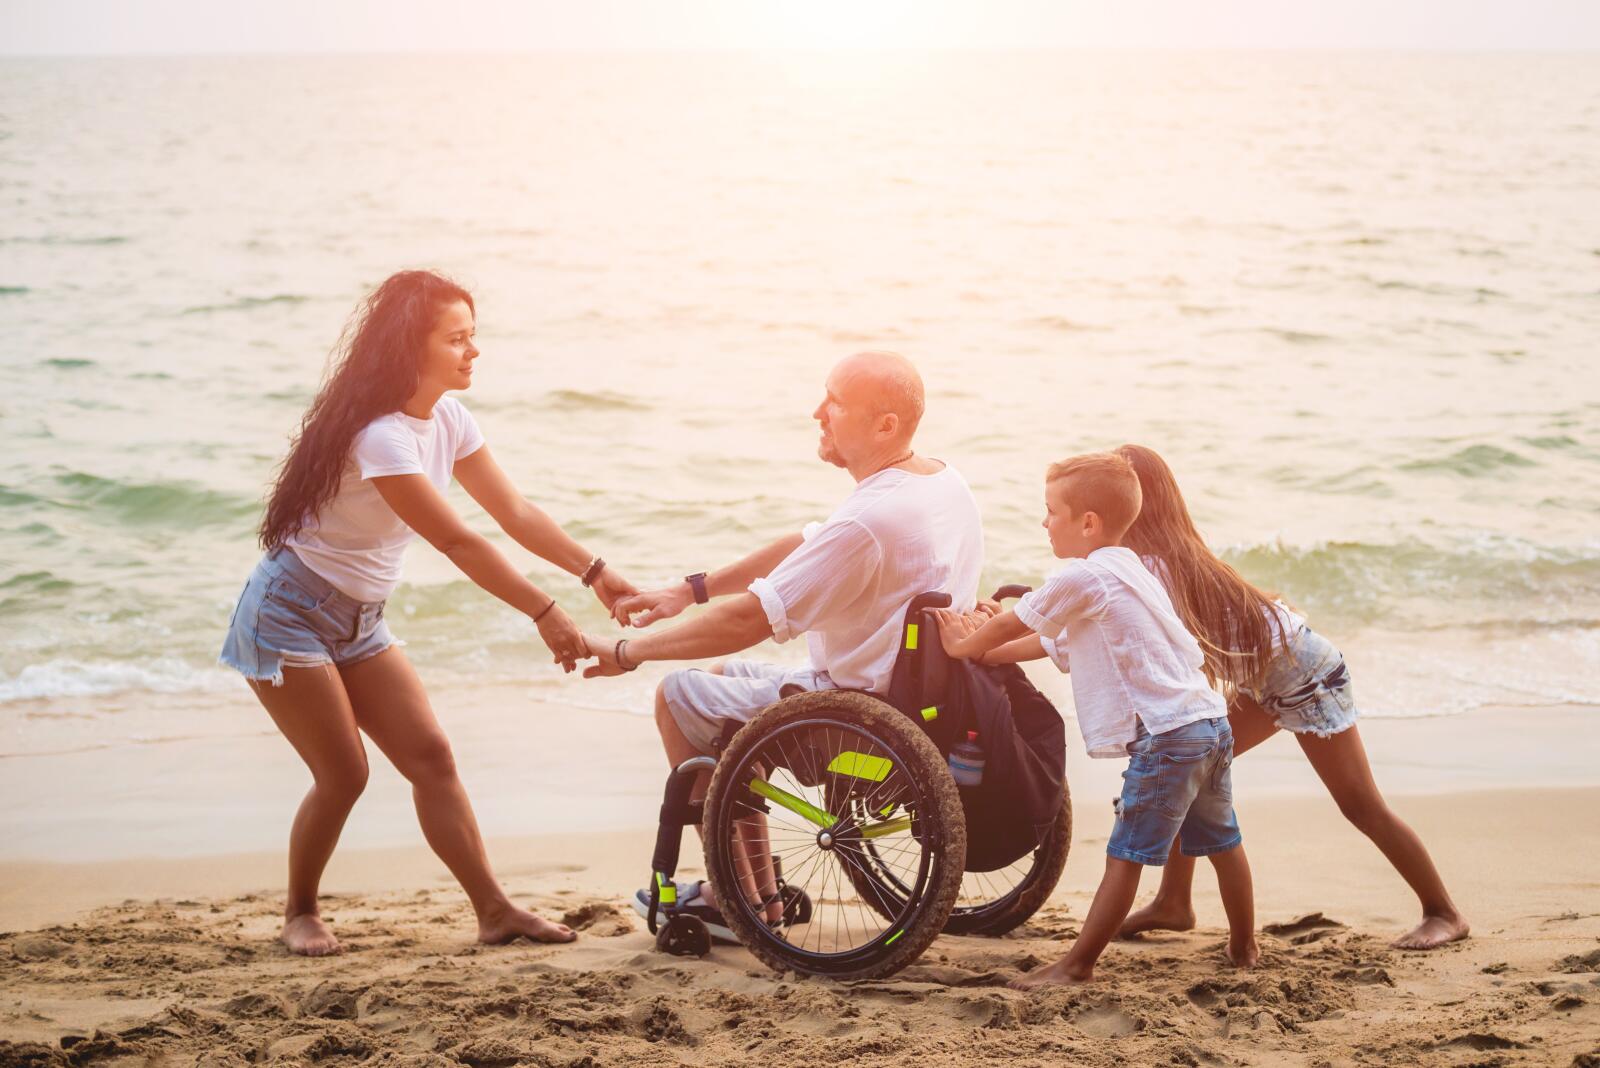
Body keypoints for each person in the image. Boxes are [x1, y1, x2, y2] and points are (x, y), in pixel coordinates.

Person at [219, 269, 636, 955]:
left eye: (474, 337)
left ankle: (493, 910)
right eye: (457, 340)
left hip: (360, 618)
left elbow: (514, 512)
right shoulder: (381, 437)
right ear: (411, 348)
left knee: (433, 757)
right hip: (287, 613)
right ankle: (300, 910)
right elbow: (456, 539)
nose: (473, 352)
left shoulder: (448, 418)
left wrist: (595, 572)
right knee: (346, 772)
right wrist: (544, 611)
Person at [581, 350, 983, 941]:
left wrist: (628, 653)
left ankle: (741, 896)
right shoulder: (937, 481)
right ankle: (750, 879)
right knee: (719, 675)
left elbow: (750, 618)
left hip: (852, 713)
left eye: (836, 403)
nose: (817, 411)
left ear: (885, 426)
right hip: (918, 697)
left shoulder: (868, 522)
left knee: (677, 697)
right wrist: (689, 592)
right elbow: (806, 543)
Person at [1110, 443, 1469, 951]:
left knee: (1360, 805)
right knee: (1191, 768)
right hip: (1267, 677)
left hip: (1308, 673)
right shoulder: (1158, 556)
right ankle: (1174, 904)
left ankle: (1444, 911)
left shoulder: (1155, 565)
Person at [933, 452, 1257, 986]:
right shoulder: (1128, 568)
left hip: (1169, 737)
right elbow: (1047, 639)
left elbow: (1018, 619)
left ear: (1088, 523)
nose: (1043, 522)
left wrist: (964, 644)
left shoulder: (1083, 576)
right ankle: (1245, 948)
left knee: (1125, 854)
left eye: (1051, 511)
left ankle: (1077, 964)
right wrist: (987, 653)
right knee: (1224, 841)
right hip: (1208, 723)